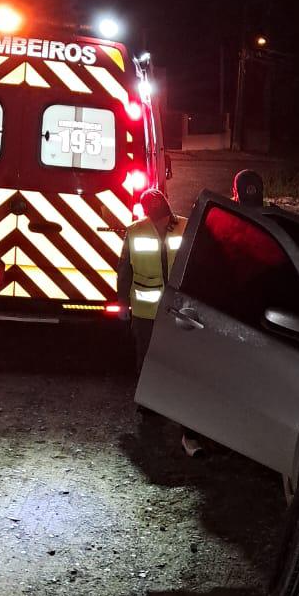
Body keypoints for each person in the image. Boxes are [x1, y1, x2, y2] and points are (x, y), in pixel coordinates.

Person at [117, 188, 203, 457]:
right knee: (146, 357)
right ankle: (148, 404)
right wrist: (122, 302)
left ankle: (172, 404)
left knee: (179, 359)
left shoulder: (185, 227)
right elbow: (125, 270)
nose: (160, 222)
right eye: (156, 217)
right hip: (147, 309)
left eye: (163, 217)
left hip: (177, 310)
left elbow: (196, 265)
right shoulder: (135, 231)